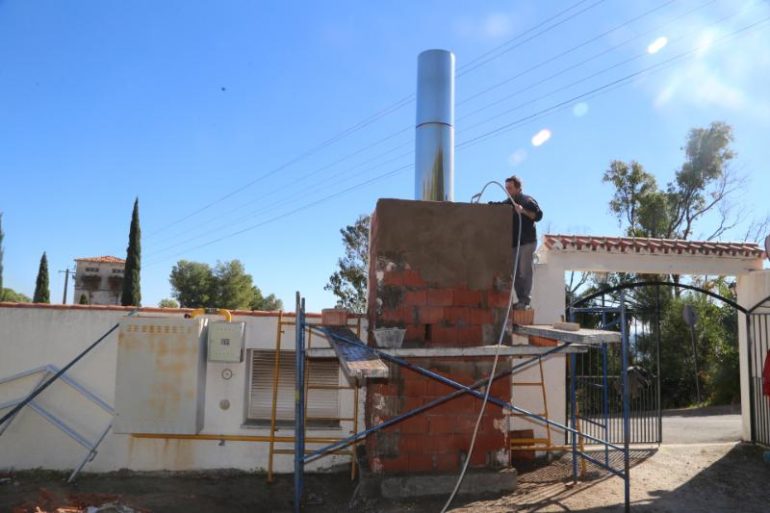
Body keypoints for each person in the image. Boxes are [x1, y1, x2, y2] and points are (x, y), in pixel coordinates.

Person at [490, 175, 543, 310]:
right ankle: (521, 301)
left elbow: (538, 216)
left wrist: (523, 210)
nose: (507, 190)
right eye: (506, 188)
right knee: (516, 273)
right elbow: (500, 208)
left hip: (527, 242)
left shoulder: (527, 200)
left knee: (524, 271)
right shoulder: (508, 202)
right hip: (515, 243)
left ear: (518, 188)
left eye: (510, 188)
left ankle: (525, 301)